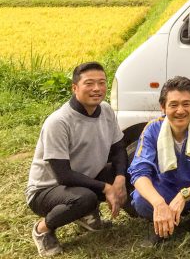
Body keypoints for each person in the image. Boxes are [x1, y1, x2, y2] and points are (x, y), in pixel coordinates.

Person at [26, 62, 127, 257]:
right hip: (45, 190)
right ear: (75, 88)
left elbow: (119, 149)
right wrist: (107, 188)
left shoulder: (106, 110)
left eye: (102, 83)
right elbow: (63, 175)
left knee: (126, 169)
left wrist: (120, 179)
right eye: (89, 83)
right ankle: (42, 230)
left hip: (82, 179)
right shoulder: (59, 122)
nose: (97, 89)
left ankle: (86, 215)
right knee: (85, 198)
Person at [128, 76, 190, 246]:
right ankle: (160, 222)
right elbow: (139, 172)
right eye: (173, 105)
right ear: (163, 107)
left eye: (186, 104)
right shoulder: (152, 129)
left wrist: (184, 195)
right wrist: (158, 203)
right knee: (141, 200)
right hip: (165, 190)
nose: (180, 110)